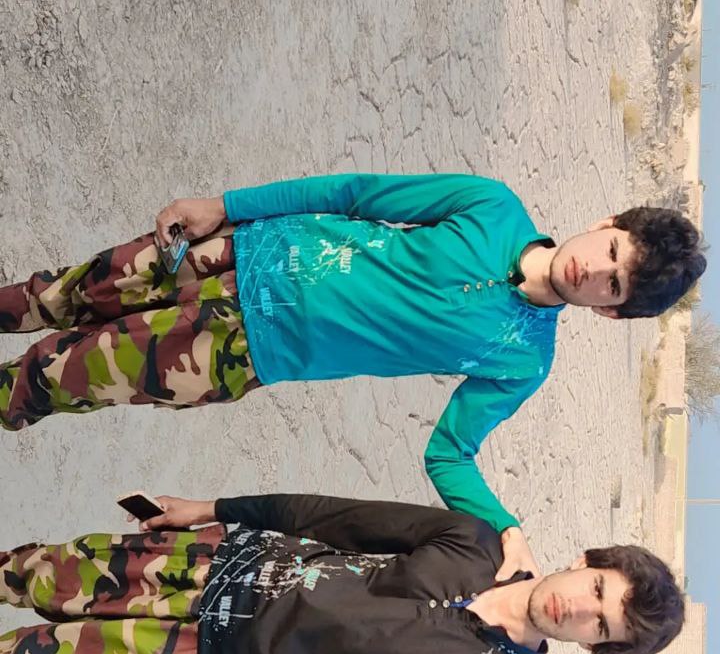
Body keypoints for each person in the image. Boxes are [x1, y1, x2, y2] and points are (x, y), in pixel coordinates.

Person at [0, 174, 706, 580]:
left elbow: (450, 454)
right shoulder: (493, 206)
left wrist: (505, 527)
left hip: (238, 352)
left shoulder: (523, 360)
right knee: (56, 295)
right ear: (606, 222)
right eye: (612, 249)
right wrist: (227, 207)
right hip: (239, 251)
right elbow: (356, 194)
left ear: (610, 313)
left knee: (51, 378)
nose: (596, 269)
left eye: (614, 285)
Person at [0, 491, 684, 654]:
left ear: (596, 649)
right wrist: (211, 508)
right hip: (211, 560)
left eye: (601, 626)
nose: (580, 609)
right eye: (598, 589)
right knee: (32, 571)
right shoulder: (475, 542)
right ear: (586, 561)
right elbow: (336, 518)